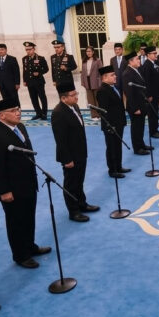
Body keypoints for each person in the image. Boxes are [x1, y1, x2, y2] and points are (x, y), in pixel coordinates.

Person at [0, 99, 51, 268]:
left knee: (29, 218)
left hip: (28, 183)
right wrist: (4, 191)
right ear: (2, 115)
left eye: (18, 109)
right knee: (16, 222)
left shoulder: (20, 127)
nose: (18, 112)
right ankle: (20, 255)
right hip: (12, 190)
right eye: (13, 110)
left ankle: (30, 246)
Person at [51, 83, 99, 222]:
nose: (77, 97)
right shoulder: (58, 113)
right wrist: (67, 159)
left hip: (80, 152)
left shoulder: (74, 106)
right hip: (70, 156)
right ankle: (73, 211)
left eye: (76, 93)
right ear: (64, 98)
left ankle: (82, 203)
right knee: (71, 184)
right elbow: (60, 139)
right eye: (73, 95)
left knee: (80, 180)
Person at [96, 65, 130, 178]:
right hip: (111, 125)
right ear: (104, 78)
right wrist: (110, 126)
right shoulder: (102, 91)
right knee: (111, 147)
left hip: (119, 123)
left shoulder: (114, 88)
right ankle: (112, 170)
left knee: (118, 145)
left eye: (114, 74)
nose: (115, 76)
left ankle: (119, 166)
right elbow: (104, 112)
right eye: (112, 75)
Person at [122, 52, 151, 155]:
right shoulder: (127, 74)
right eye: (137, 59)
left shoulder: (136, 70)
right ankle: (137, 148)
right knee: (136, 128)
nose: (139, 61)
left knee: (141, 126)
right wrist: (135, 108)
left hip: (141, 104)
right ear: (130, 62)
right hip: (135, 107)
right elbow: (129, 93)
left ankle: (141, 144)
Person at [140, 46, 159, 142]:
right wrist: (148, 95)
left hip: (156, 93)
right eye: (154, 53)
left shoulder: (154, 63)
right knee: (152, 113)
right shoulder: (147, 65)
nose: (156, 55)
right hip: (151, 95)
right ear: (148, 55)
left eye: (156, 53)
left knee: (156, 111)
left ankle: (156, 129)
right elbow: (146, 82)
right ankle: (152, 131)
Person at [21, 41, 49, 121]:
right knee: (33, 98)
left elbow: (46, 69)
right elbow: (24, 70)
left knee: (42, 97)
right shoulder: (25, 59)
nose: (28, 51)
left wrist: (39, 73)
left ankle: (44, 113)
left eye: (29, 49)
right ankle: (38, 113)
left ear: (34, 49)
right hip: (30, 82)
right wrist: (24, 80)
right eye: (26, 50)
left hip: (39, 82)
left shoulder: (40, 58)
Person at [80, 45, 103, 119]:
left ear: (93, 52)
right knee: (90, 100)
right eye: (87, 51)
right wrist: (83, 82)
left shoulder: (98, 60)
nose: (88, 53)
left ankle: (99, 115)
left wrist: (100, 82)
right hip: (87, 82)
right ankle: (94, 115)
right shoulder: (84, 60)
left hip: (96, 82)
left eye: (89, 51)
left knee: (97, 99)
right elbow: (83, 73)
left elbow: (101, 72)